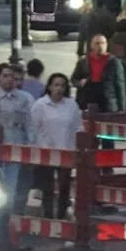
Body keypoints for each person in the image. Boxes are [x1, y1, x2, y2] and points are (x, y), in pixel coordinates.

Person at [0, 65, 35, 218]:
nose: (9, 79)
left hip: (17, 138)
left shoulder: (24, 98)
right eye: (5, 76)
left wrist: (31, 142)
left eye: (12, 76)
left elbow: (29, 121)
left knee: (14, 177)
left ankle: (11, 211)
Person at [30, 74, 83, 219]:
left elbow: (78, 127)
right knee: (47, 187)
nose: (59, 88)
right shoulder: (40, 105)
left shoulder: (71, 105)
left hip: (66, 150)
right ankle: (48, 215)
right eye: (56, 85)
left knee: (64, 185)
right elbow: (33, 127)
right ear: (49, 87)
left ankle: (61, 215)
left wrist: (77, 146)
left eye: (62, 85)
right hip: (46, 151)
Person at [70, 34, 126, 113]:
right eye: (97, 43)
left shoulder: (114, 62)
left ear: (106, 45)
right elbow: (73, 79)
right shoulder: (84, 61)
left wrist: (122, 109)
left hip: (108, 101)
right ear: (91, 46)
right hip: (89, 99)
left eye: (103, 43)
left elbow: (120, 85)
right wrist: (80, 83)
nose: (100, 46)